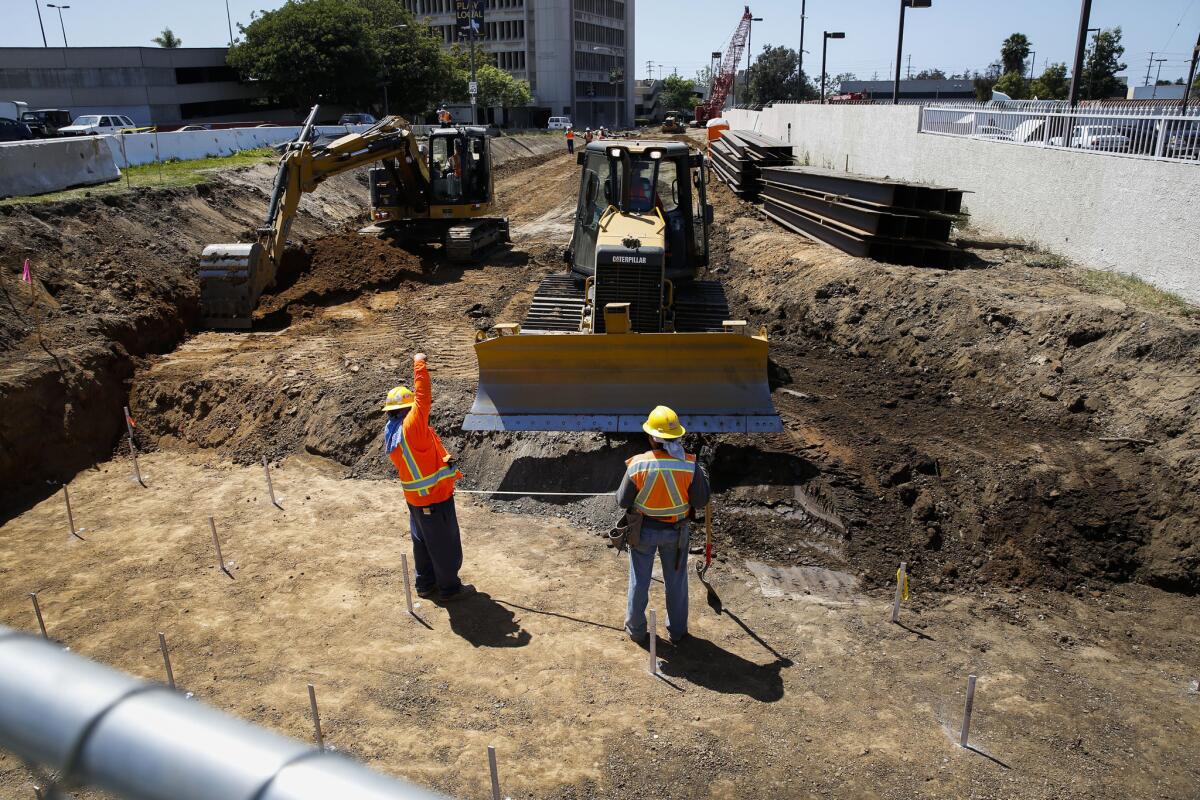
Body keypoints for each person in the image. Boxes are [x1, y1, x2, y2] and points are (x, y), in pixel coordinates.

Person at [383, 354, 474, 602]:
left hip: (415, 501)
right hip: (434, 499)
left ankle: (425, 585)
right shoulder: (412, 425)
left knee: (422, 543)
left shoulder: (392, 431)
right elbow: (423, 397)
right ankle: (450, 590)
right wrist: (419, 363)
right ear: (408, 409)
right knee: (445, 547)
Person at [616, 405, 710, 645]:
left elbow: (622, 500)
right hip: (677, 533)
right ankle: (677, 632)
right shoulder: (690, 465)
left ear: (651, 438)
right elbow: (701, 500)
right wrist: (703, 477)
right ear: (677, 436)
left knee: (640, 580)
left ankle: (636, 631)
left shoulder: (638, 465)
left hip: (643, 531)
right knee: (676, 583)